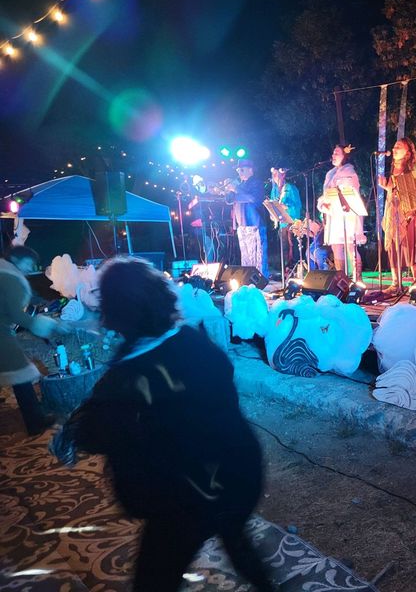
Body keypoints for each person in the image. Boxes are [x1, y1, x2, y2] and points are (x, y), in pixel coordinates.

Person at [51, 257, 275, 592]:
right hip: (236, 470)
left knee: (154, 579)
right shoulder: (192, 341)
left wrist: (72, 434)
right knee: (235, 539)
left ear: (121, 312)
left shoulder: (132, 373)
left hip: (187, 491)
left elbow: (101, 430)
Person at [0, 246, 62, 436]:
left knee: (20, 375)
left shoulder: (6, 274)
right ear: (18, 260)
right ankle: (35, 422)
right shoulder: (9, 277)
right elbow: (17, 315)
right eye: (28, 264)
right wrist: (47, 326)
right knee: (22, 375)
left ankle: (35, 419)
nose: (30, 268)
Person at [380, 138, 416, 295]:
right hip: (393, 215)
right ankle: (395, 283)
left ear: (407, 153)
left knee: (411, 250)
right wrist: (387, 188)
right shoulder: (391, 172)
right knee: (393, 248)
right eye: (394, 146)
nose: (394, 149)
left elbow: (414, 197)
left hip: (408, 216)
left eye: (398, 146)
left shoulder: (411, 173)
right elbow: (392, 195)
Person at [317, 144, 365, 281]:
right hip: (334, 215)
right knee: (336, 246)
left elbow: (352, 192)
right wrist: (322, 204)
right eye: (333, 153)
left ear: (344, 156)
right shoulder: (329, 174)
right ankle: (341, 280)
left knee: (351, 246)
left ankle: (358, 280)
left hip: (347, 214)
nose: (333, 156)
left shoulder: (350, 172)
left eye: (337, 153)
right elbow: (325, 195)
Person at [227, 159, 269, 278]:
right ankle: (248, 279)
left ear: (250, 170)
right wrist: (227, 190)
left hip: (255, 223)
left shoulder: (256, 183)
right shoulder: (240, 185)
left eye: (241, 169)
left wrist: (236, 189)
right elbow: (229, 200)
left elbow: (253, 199)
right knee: (246, 255)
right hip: (242, 224)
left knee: (258, 255)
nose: (239, 172)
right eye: (238, 170)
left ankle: (262, 279)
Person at [268, 167, 302, 267]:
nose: (274, 175)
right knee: (284, 247)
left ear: (283, 175)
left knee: (293, 246)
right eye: (273, 174)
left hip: (292, 222)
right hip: (282, 222)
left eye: (276, 173)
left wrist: (286, 207)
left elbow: (297, 205)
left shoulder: (290, 188)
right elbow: (272, 204)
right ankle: (285, 270)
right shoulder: (274, 190)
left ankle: (295, 269)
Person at [186, 175, 217, 263]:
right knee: (205, 247)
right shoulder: (195, 195)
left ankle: (211, 264)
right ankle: (207, 264)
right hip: (200, 225)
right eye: (197, 185)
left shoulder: (209, 190)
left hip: (209, 224)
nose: (199, 186)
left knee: (210, 246)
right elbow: (189, 206)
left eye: (200, 183)